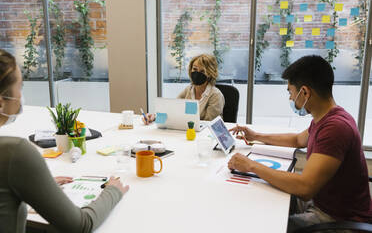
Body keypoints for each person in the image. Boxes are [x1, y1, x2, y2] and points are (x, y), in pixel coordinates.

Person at [228, 55, 372, 232]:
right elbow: (297, 140)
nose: (290, 98)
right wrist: (256, 135)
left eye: (290, 92)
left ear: (304, 92)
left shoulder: (335, 128)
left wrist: (250, 165)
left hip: (337, 219)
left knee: (264, 224)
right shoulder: (326, 118)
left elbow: (305, 187)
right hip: (323, 204)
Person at [0, 49, 129, 233]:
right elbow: (80, 225)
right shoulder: (14, 153)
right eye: (19, 87)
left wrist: (36, 183)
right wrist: (113, 191)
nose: (21, 95)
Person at [143, 54, 225, 124]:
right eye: (195, 69)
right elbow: (173, 110)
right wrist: (155, 117)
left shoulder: (215, 95)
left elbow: (209, 123)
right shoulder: (189, 90)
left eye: (202, 71)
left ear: (210, 74)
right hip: (187, 132)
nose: (197, 73)